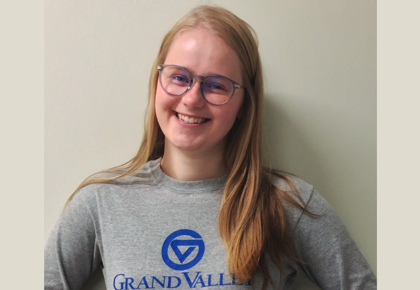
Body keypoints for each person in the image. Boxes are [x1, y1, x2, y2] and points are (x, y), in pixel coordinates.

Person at [44, 5, 377, 290]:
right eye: (178, 77)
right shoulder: (102, 201)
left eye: (216, 85)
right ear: (157, 82)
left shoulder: (284, 203)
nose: (191, 98)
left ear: (244, 104)